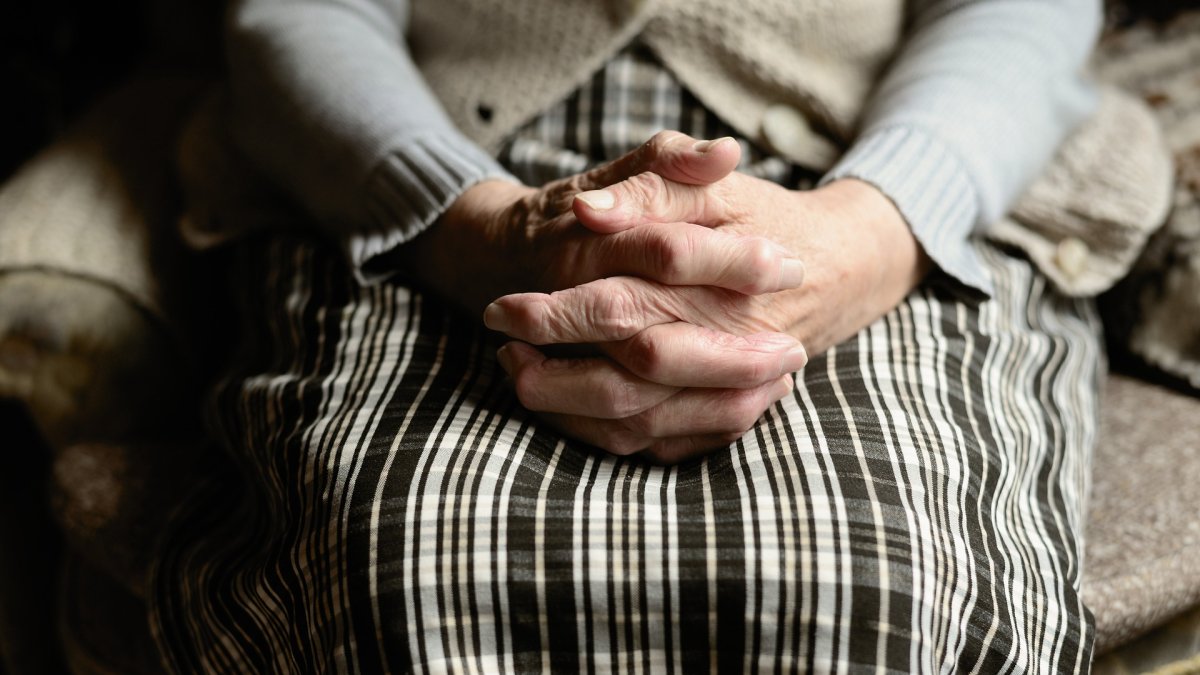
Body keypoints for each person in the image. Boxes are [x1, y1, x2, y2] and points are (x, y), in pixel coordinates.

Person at [151, 0, 1123, 671]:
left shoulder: (874, 209)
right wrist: (470, 226)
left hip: (870, 177)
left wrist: (865, 234)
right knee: (397, 580)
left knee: (880, 589)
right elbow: (306, 14)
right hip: (438, 178)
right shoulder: (450, 212)